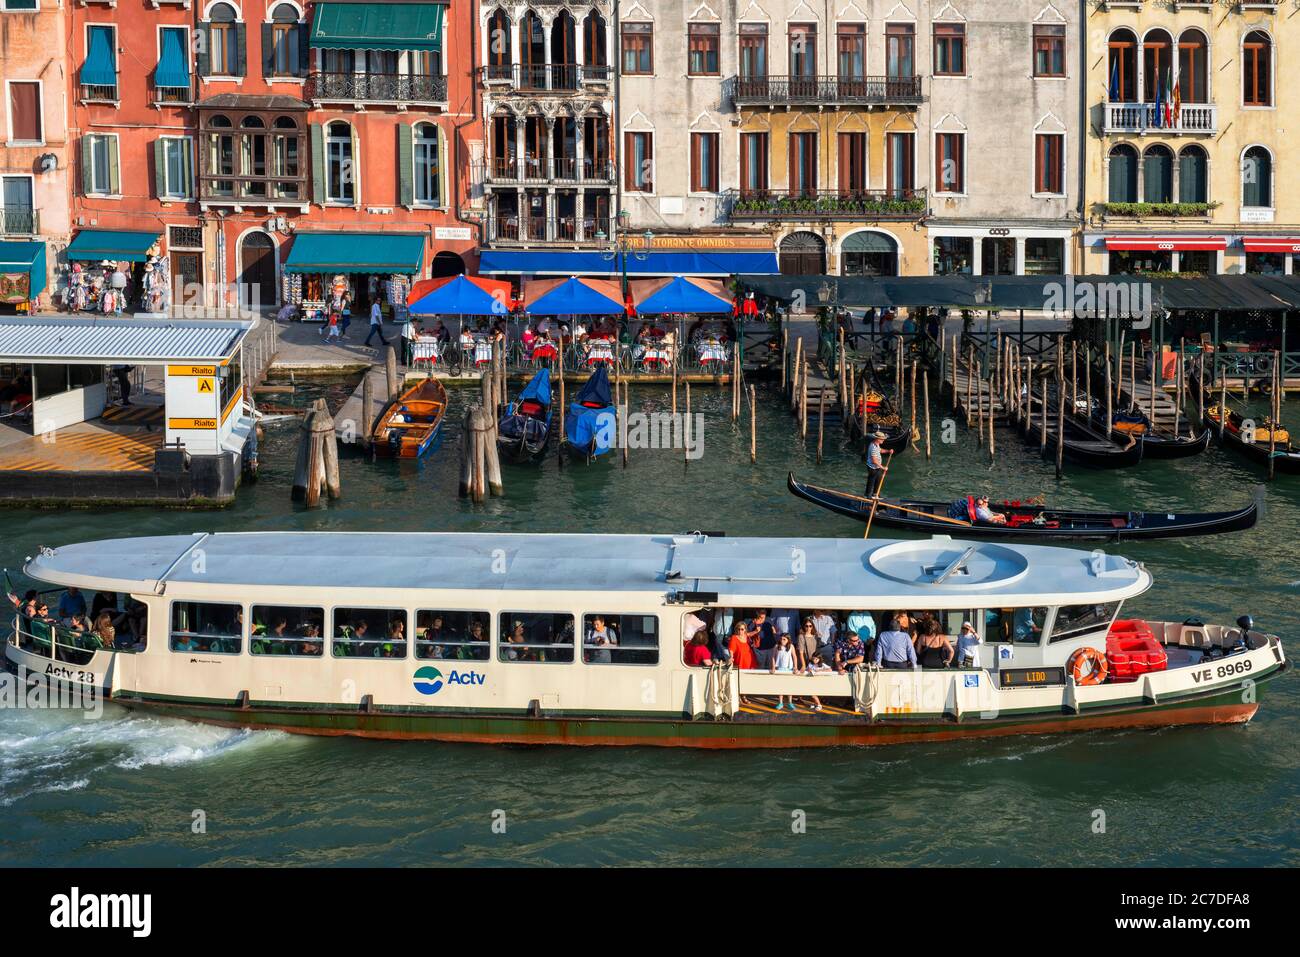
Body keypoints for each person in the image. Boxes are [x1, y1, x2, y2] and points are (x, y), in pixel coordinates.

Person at [770, 634, 797, 711]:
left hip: (789, 669)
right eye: (781, 639)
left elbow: (794, 657)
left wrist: (795, 667)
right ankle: (780, 702)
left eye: (784, 639)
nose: (782, 641)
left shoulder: (791, 646)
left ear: (788, 640)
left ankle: (790, 702)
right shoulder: (776, 646)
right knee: (780, 686)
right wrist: (773, 667)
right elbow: (773, 657)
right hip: (779, 669)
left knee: (789, 686)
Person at [865, 431, 888, 498]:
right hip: (872, 468)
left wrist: (888, 451)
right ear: (878, 439)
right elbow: (874, 460)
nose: (883, 440)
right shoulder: (873, 447)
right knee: (871, 481)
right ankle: (867, 495)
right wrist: (883, 467)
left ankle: (875, 494)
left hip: (877, 467)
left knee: (878, 479)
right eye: (882, 439)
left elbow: (880, 450)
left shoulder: (876, 444)